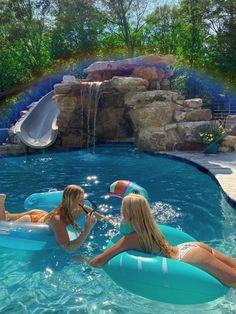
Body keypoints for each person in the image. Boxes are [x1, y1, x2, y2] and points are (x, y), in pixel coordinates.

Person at [77, 193, 236, 288]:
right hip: (188, 248)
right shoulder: (151, 226)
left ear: (126, 212)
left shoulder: (131, 238)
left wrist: (83, 259)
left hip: (188, 258)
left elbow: (99, 261)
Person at [0, 185, 111, 252]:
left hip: (42, 214)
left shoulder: (82, 207)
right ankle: (1, 202)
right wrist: (87, 228)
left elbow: (103, 219)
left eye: (83, 198)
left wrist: (114, 223)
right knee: (3, 225)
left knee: (10, 215)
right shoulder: (58, 219)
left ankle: (6, 211)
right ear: (71, 201)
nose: (84, 201)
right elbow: (68, 248)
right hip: (32, 220)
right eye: (80, 199)